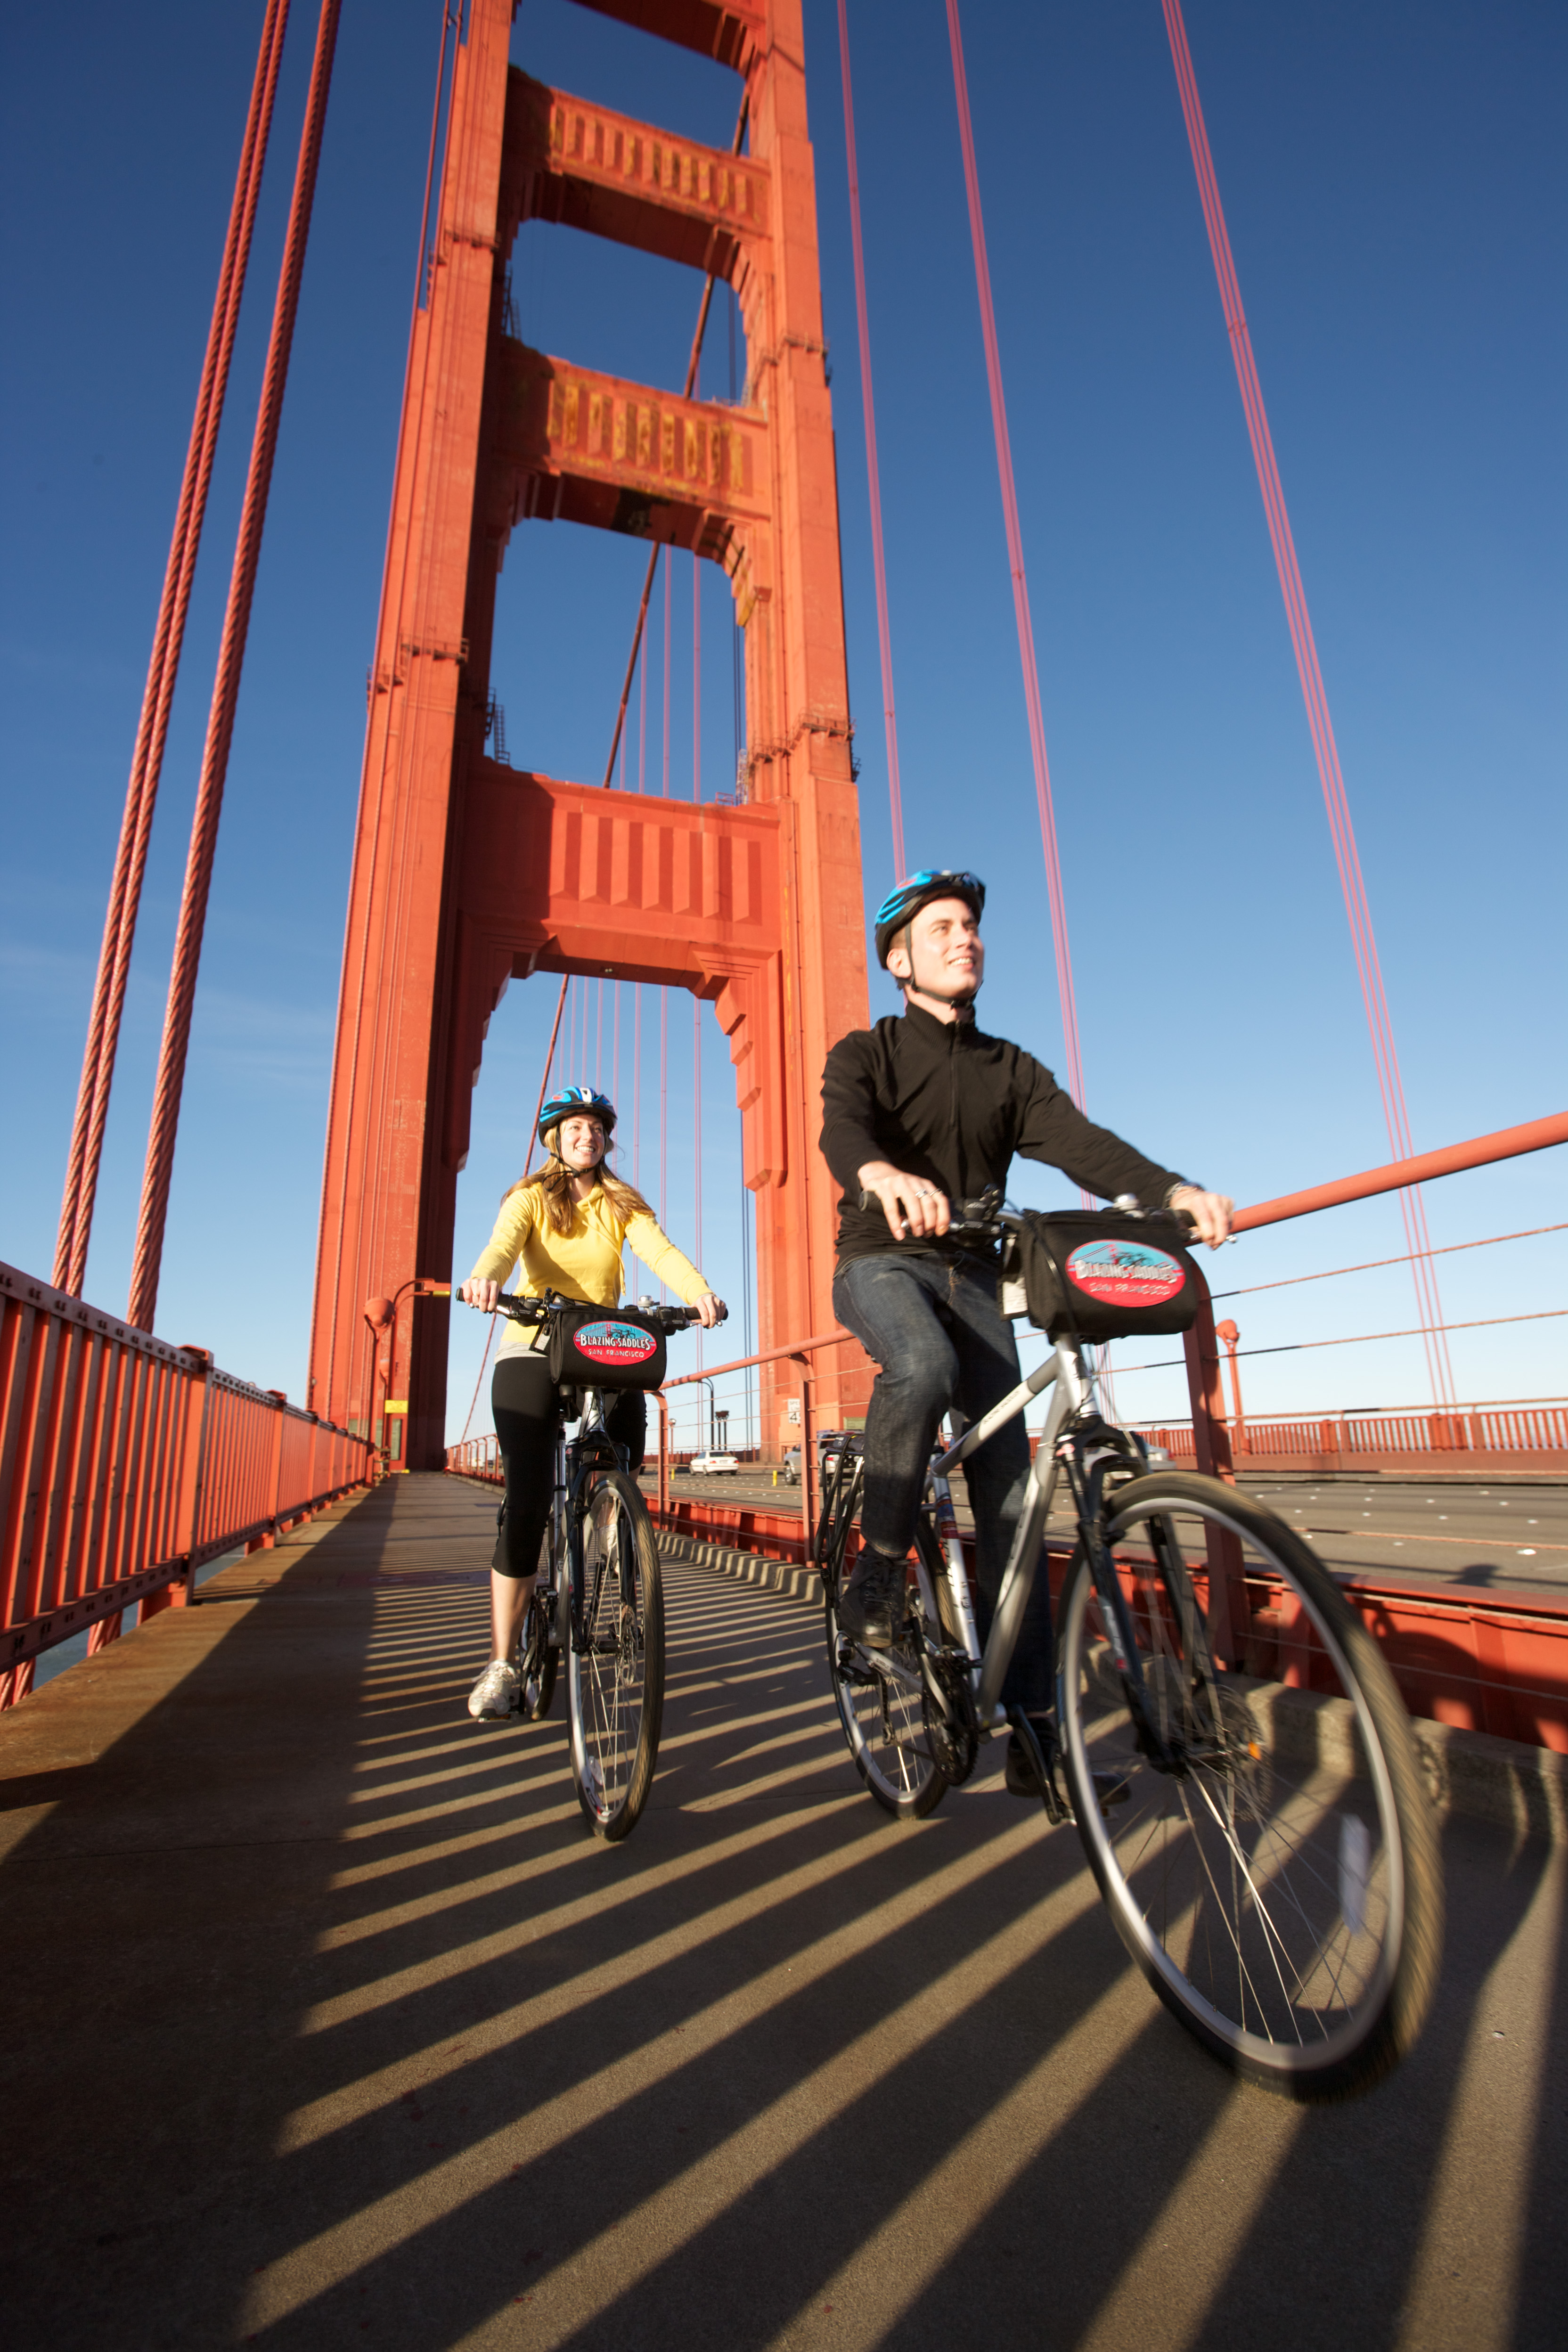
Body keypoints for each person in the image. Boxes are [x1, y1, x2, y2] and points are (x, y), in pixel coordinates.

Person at [819, 872, 1233, 1797]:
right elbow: (840, 1132)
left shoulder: (1009, 1069)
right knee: (918, 1368)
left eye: (969, 926)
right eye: (940, 929)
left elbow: (1082, 1144)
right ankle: (879, 1576)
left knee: (1013, 1510)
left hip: (976, 1279)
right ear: (899, 959)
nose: (963, 939)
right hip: (879, 1262)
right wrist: (881, 1172)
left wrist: (1167, 1190)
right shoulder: (866, 1053)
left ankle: (1038, 1740)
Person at [459, 1085, 725, 1720]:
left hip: (601, 1346)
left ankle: (605, 1530)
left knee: (619, 1463)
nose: (588, 1135)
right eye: (574, 1127)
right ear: (554, 1139)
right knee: (526, 1499)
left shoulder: (622, 1203)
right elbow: (501, 1247)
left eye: (597, 1127)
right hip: (531, 1345)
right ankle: (501, 1663)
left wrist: (701, 1292)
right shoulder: (529, 1199)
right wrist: (486, 1278)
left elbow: (659, 1252)